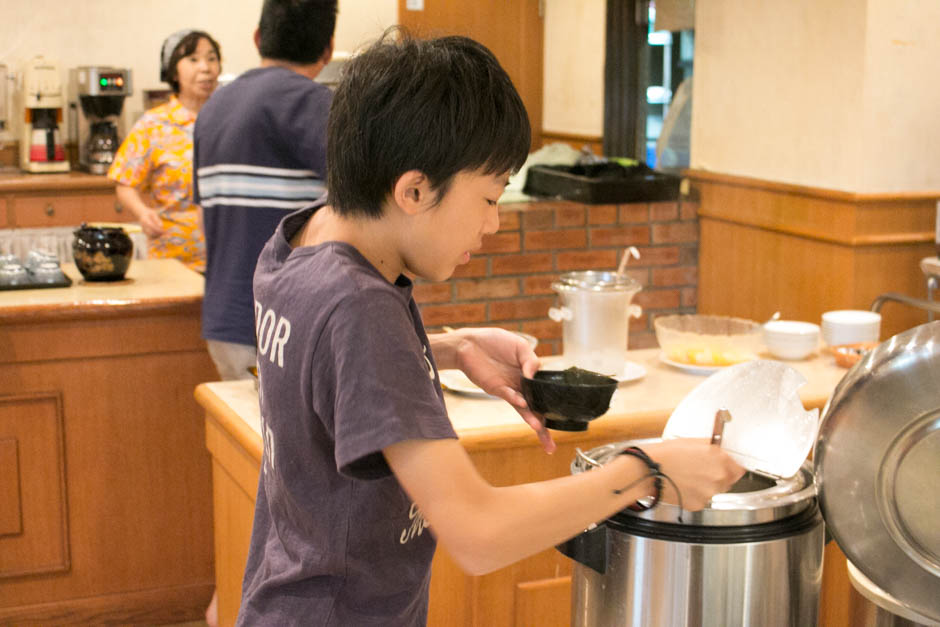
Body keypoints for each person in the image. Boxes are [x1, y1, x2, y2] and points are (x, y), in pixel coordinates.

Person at [237, 32, 745, 626]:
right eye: (488, 197)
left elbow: (322, 361)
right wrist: (647, 472)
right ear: (414, 189)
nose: (494, 223)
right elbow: (478, 532)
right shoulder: (360, 307)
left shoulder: (301, 240)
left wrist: (449, 349)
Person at [193, 0, 336, 381]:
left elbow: (205, 219)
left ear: (258, 38)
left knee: (245, 437)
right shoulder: (316, 105)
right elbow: (370, 205)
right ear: (328, 48)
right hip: (286, 323)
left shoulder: (212, 109)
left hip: (225, 319)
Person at [108, 29, 221, 273]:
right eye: (193, 59)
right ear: (173, 71)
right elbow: (123, 181)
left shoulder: (230, 120)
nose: (205, 67)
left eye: (212, 58)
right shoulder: (153, 125)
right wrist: (142, 212)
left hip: (226, 261)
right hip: (172, 261)